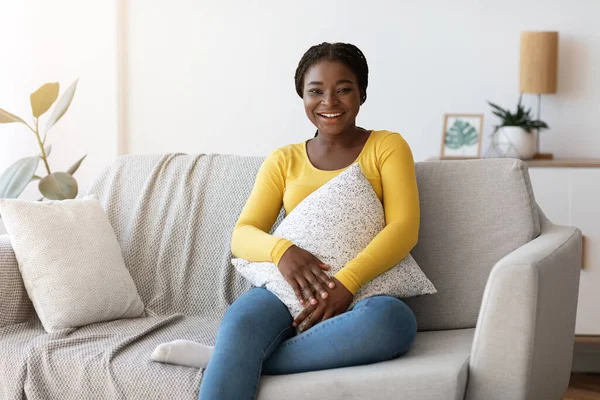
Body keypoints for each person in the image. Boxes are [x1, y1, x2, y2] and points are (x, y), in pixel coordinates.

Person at [153, 42, 421, 399]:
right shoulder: (284, 159)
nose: (329, 101)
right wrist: (283, 251)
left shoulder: (388, 146)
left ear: (362, 94)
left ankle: (227, 359)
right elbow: (243, 234)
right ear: (302, 97)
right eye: (316, 91)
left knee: (394, 323)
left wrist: (348, 283)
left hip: (364, 294)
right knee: (242, 321)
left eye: (343, 89)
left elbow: (404, 229)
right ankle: (237, 353)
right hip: (287, 292)